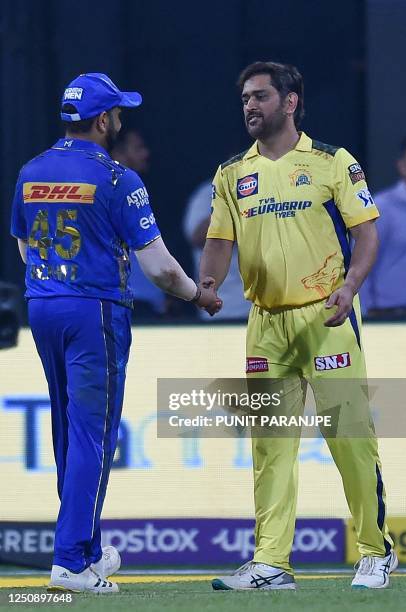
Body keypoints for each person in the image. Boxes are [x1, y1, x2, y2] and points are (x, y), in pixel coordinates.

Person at [10, 72, 220, 594]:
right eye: (119, 113)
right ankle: (70, 562)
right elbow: (162, 271)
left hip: (42, 307)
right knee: (93, 435)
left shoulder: (31, 170)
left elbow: (24, 248)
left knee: (69, 430)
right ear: (103, 120)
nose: (122, 120)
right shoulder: (117, 178)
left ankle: (82, 549)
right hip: (94, 314)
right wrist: (199, 296)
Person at [200, 61, 396, 590]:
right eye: (245, 98)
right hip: (264, 323)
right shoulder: (231, 173)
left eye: (260, 96)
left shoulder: (333, 162)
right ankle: (272, 562)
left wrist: (350, 287)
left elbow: (367, 233)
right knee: (270, 444)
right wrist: (210, 283)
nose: (249, 106)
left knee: (349, 435)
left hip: (326, 316)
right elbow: (220, 240)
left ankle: (375, 550)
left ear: (290, 102)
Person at [111, 129, 166, 320]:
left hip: (150, 305)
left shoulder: (141, 191)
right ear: (117, 154)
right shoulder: (110, 194)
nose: (146, 154)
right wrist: (193, 294)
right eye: (138, 148)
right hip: (124, 304)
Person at [183, 179, 250, 320]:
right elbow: (196, 236)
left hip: (264, 305)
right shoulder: (208, 192)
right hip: (223, 307)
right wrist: (231, 202)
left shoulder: (270, 188)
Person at [360, 136, 406, 319]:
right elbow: (360, 261)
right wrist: (365, 314)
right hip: (388, 316)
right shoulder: (380, 208)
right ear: (402, 165)